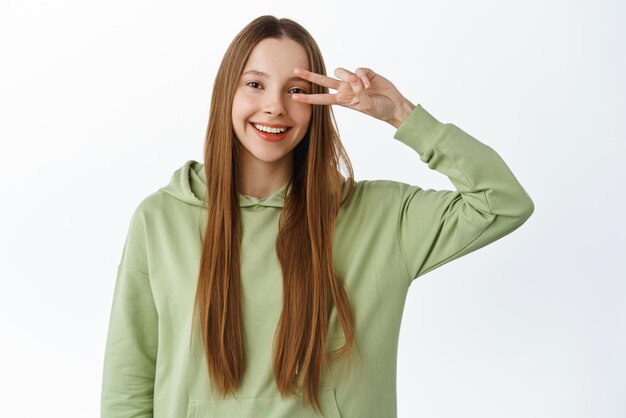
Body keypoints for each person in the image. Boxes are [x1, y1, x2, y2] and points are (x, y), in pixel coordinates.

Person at [101, 14, 534, 418]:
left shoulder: (380, 218)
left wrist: (402, 115)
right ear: (225, 94)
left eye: (295, 90)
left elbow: (502, 201)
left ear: (318, 103)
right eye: (255, 84)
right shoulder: (160, 220)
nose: (274, 106)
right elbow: (127, 387)